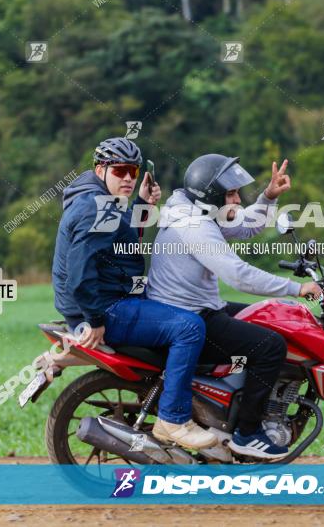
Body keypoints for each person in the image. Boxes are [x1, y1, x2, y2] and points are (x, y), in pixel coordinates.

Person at [147, 154, 321, 459]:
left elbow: (246, 226)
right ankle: (248, 433)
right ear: (212, 196)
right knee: (270, 346)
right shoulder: (194, 226)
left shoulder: (196, 211)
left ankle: (233, 407)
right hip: (190, 317)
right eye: (231, 194)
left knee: (272, 319)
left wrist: (268, 196)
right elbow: (238, 275)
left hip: (197, 307)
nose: (238, 199)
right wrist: (297, 288)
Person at [51, 137, 217, 450]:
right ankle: (173, 419)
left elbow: (118, 239)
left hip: (102, 301)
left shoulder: (96, 198)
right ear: (100, 169)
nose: (129, 177)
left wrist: (142, 205)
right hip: (103, 307)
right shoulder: (95, 208)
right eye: (121, 171)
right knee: (190, 327)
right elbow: (80, 274)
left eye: (134, 171)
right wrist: (95, 320)